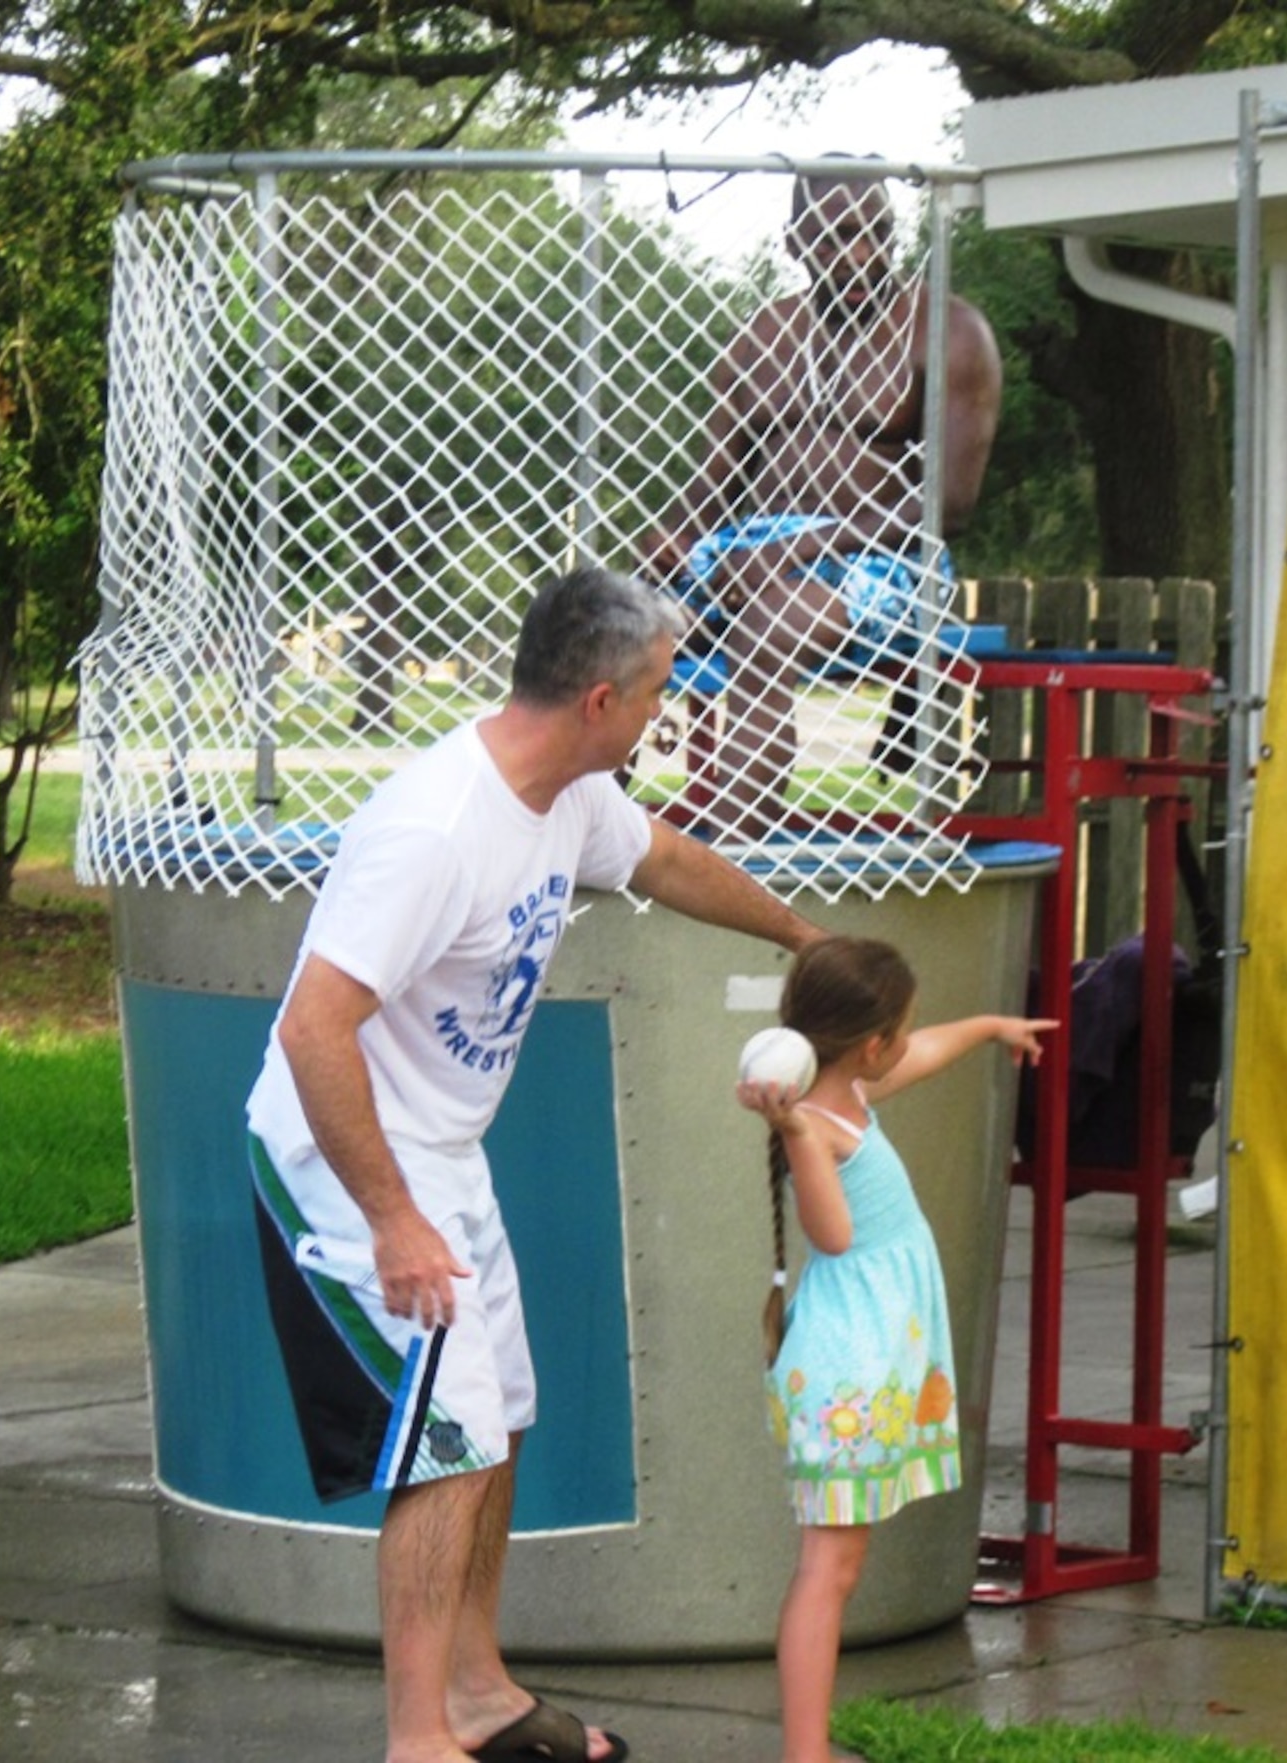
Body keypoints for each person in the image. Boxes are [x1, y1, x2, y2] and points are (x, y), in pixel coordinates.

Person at [245, 565, 822, 1763]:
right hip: (342, 1155)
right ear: (601, 698)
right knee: (446, 1435)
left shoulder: (569, 795)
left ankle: (473, 1689)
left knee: (496, 1414)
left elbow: (666, 861)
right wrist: (393, 1217)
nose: (668, 709)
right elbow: (312, 1027)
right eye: (661, 691)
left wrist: (802, 936)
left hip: (439, 1146)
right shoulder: (434, 827)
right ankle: (418, 1739)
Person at [735, 936, 1052, 1763]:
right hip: (848, 1373)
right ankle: (804, 1756)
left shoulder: (853, 1094)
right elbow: (832, 1235)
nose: (914, 1041)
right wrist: (796, 1133)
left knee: (833, 1568)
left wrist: (990, 1024)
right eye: (903, 1030)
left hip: (861, 1368)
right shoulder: (824, 1125)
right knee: (826, 1573)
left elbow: (930, 1050)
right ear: (872, 1044)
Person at [638, 162, 1003, 839]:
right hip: (753, 556)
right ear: (795, 243)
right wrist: (673, 538)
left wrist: (798, 547)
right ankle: (588, 835)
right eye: (836, 238)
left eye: (875, 234)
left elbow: (947, 507)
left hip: (888, 559)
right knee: (611, 628)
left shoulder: (947, 330)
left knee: (767, 626)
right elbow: (714, 485)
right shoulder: (763, 337)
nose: (860, 255)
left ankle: (736, 855)